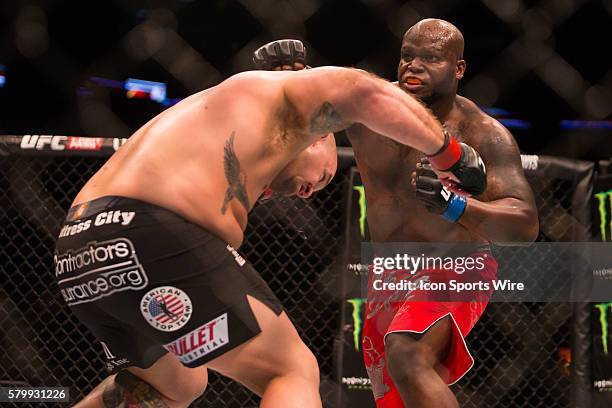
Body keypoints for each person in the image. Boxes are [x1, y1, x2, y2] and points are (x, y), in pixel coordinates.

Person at [54, 65, 487, 407]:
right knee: (292, 369)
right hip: (153, 233)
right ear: (320, 137)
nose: (308, 192)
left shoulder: (214, 119)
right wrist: (446, 152)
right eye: (321, 178)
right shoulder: (289, 96)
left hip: (80, 249)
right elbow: (364, 91)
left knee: (175, 385)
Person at [255, 19, 537, 408]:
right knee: (396, 395)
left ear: (459, 69)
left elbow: (524, 225)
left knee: (407, 354)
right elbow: (311, 104)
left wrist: (454, 205)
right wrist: (288, 79)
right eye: (407, 56)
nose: (413, 67)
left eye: (431, 58)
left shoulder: (482, 133)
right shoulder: (370, 105)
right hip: (389, 269)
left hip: (455, 265)